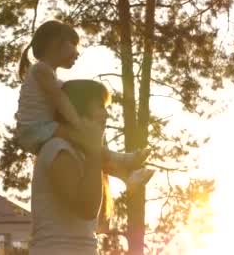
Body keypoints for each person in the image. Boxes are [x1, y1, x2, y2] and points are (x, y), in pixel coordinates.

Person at [16, 20, 153, 186]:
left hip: (42, 128)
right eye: (73, 44)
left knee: (88, 148)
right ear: (55, 43)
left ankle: (126, 176)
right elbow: (59, 99)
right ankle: (122, 159)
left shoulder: (48, 74)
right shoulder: (41, 70)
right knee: (86, 139)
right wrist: (77, 123)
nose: (77, 52)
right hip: (35, 130)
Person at [30, 79, 117, 255]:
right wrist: (94, 152)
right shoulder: (58, 149)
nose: (106, 115)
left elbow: (97, 222)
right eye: (100, 107)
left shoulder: (81, 155)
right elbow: (87, 209)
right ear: (76, 110)